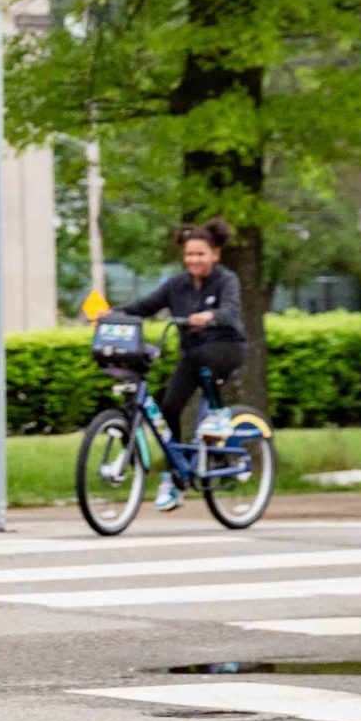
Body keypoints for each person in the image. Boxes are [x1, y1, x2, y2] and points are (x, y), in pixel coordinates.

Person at [117, 219, 246, 511]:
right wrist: (110, 314)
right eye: (189, 254)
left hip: (226, 348)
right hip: (193, 354)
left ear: (215, 254)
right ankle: (175, 475)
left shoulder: (227, 280)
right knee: (168, 409)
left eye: (200, 254)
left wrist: (210, 316)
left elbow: (230, 310)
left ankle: (219, 414)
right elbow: (144, 307)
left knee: (202, 358)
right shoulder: (176, 285)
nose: (194, 260)